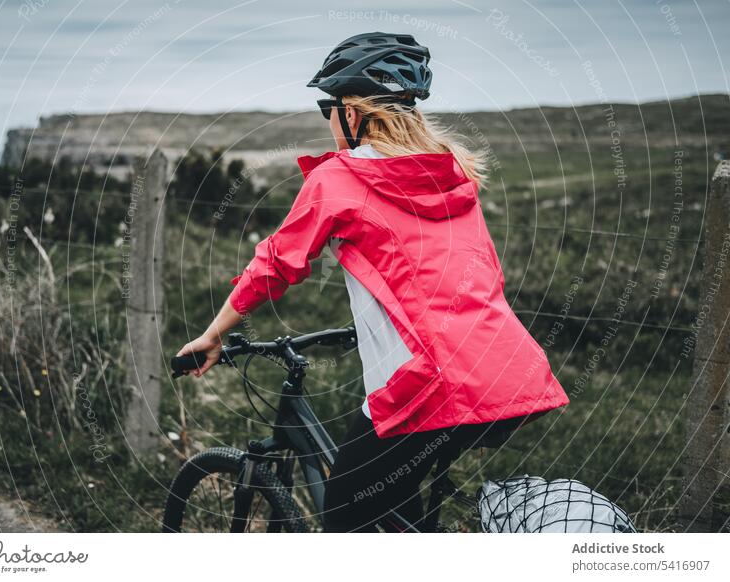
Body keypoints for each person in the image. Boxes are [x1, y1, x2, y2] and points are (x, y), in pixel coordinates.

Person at [176, 32, 570, 532]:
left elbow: (277, 263)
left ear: (354, 114)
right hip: (504, 367)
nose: (329, 120)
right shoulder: (451, 175)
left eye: (329, 107)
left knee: (344, 520)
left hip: (425, 386)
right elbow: (478, 271)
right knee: (391, 511)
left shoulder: (339, 178)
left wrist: (213, 334)